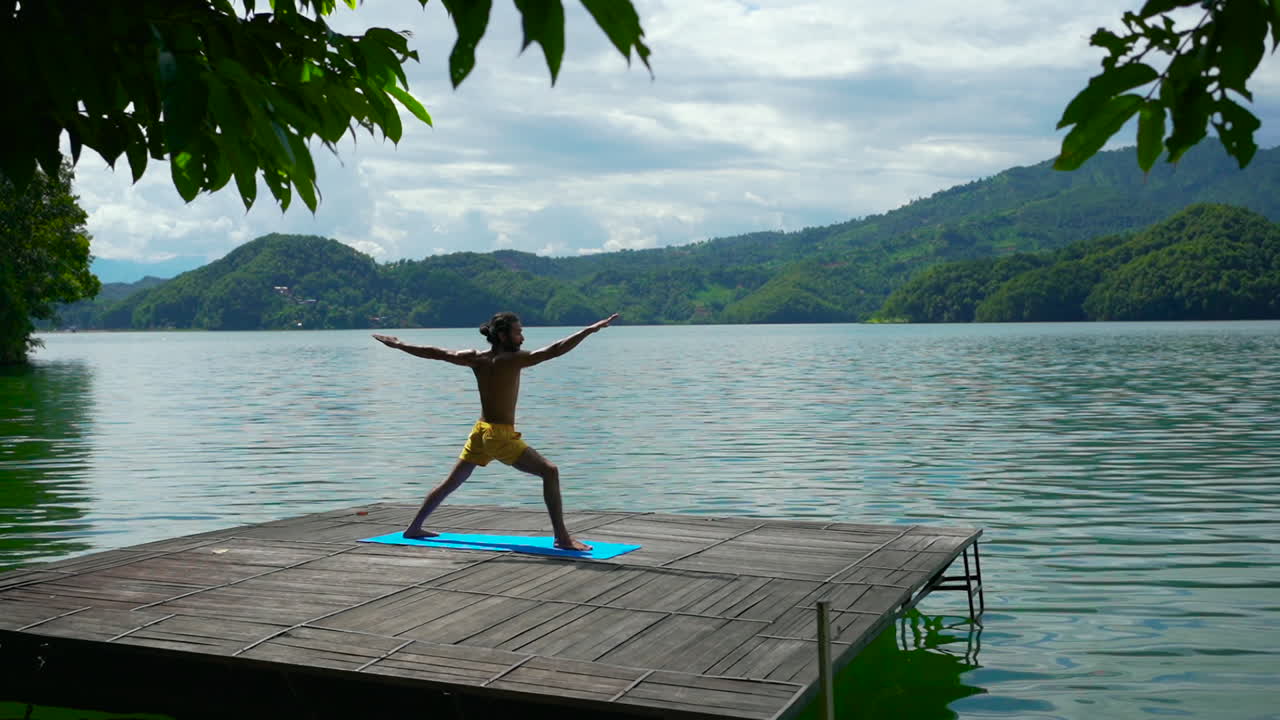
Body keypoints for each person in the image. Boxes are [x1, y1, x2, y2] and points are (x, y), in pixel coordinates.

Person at [372, 312, 619, 551]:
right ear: (502, 336)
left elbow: (436, 353)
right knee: (550, 472)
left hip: (480, 431)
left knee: (452, 482)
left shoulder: (475, 358)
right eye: (518, 333)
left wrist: (399, 345)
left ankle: (413, 528)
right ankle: (562, 538)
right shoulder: (513, 359)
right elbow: (554, 350)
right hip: (497, 435)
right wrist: (590, 329)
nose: (522, 338)